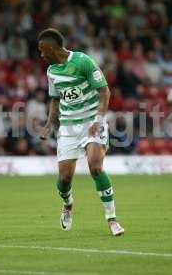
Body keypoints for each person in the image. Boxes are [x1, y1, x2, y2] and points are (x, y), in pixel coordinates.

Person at [38, 28, 124, 236]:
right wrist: (49, 124)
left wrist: (99, 119)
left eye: (42, 50)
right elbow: (56, 99)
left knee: (95, 167)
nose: (41, 55)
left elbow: (104, 91)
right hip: (68, 127)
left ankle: (112, 219)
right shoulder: (51, 72)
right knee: (64, 179)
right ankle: (68, 205)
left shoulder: (83, 61)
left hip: (92, 122)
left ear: (52, 48)